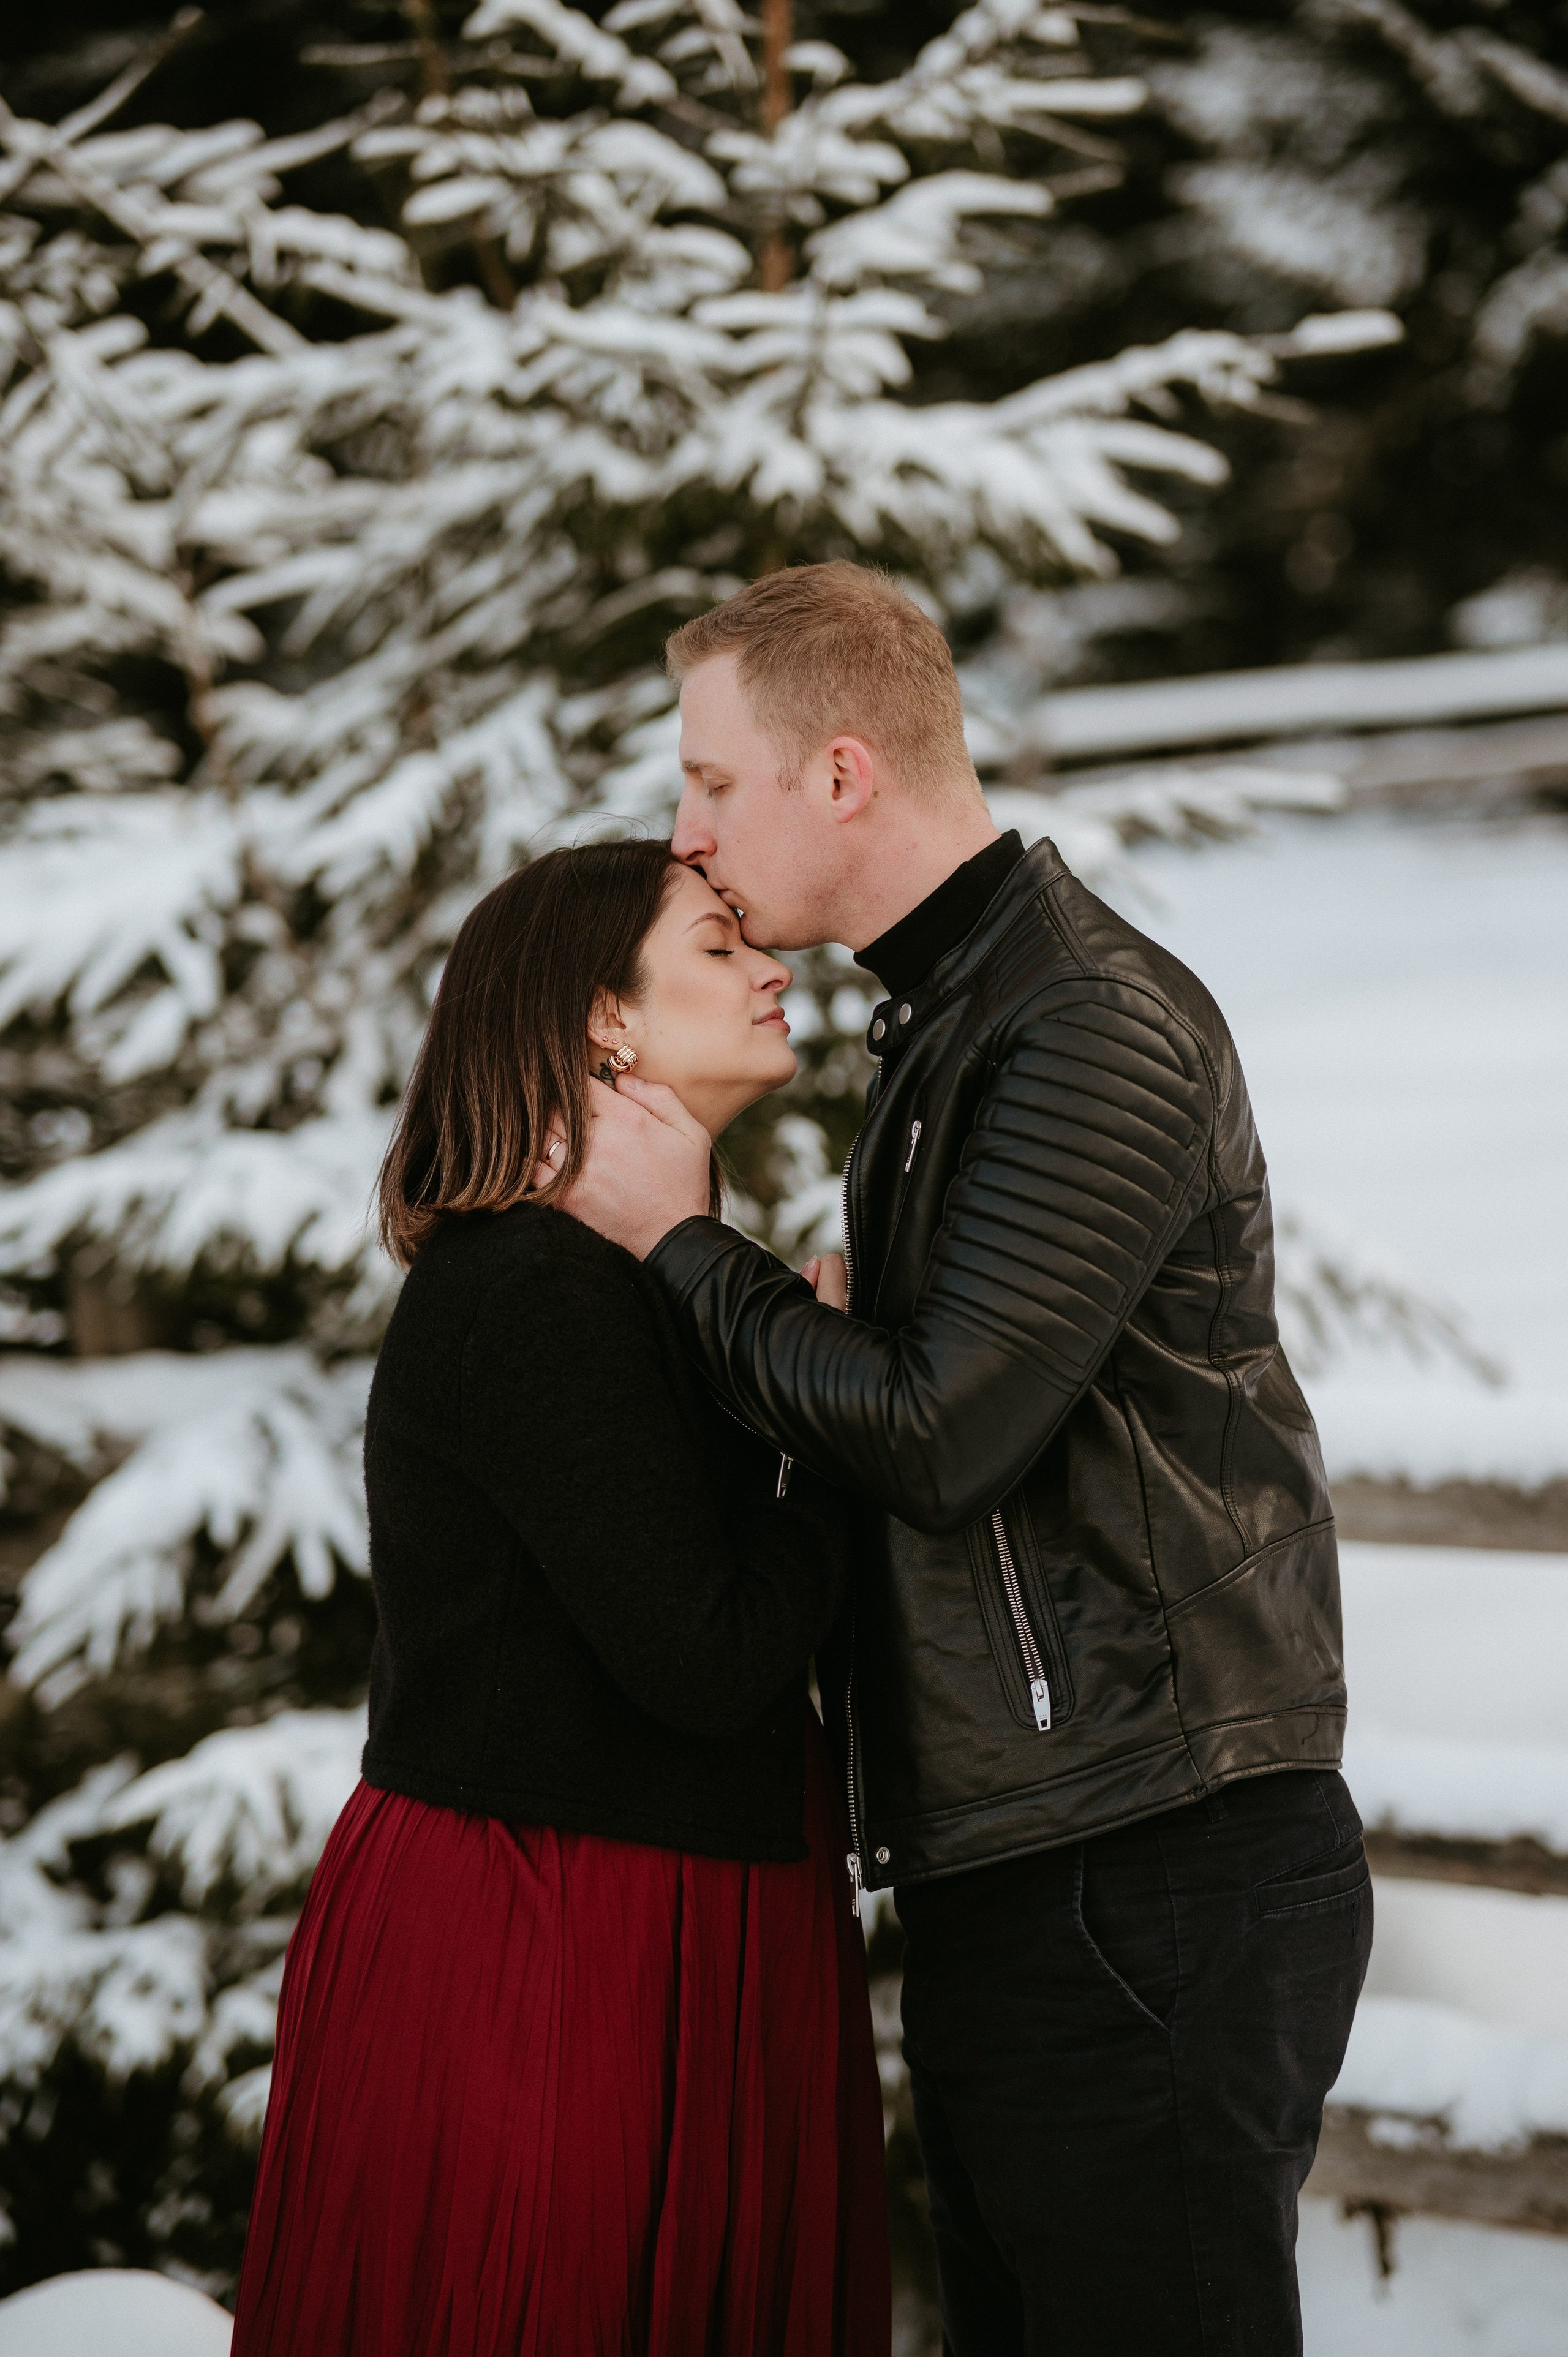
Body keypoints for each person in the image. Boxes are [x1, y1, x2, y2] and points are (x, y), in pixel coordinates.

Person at [551, 563, 1372, 2357]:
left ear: (842, 776)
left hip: (1157, 1851)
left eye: (710, 783)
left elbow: (941, 1438)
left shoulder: (1080, 1027)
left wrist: (686, 1248)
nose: (684, 837)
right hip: (1042, 1851)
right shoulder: (949, 1022)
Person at [230, 840, 891, 2357]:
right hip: (556, 1942)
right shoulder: (528, 1289)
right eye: (719, 946)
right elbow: (710, 1653)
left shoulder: (637, 1279)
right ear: (604, 1022)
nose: (772, 967)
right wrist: (835, 1433)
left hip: (676, 1913)